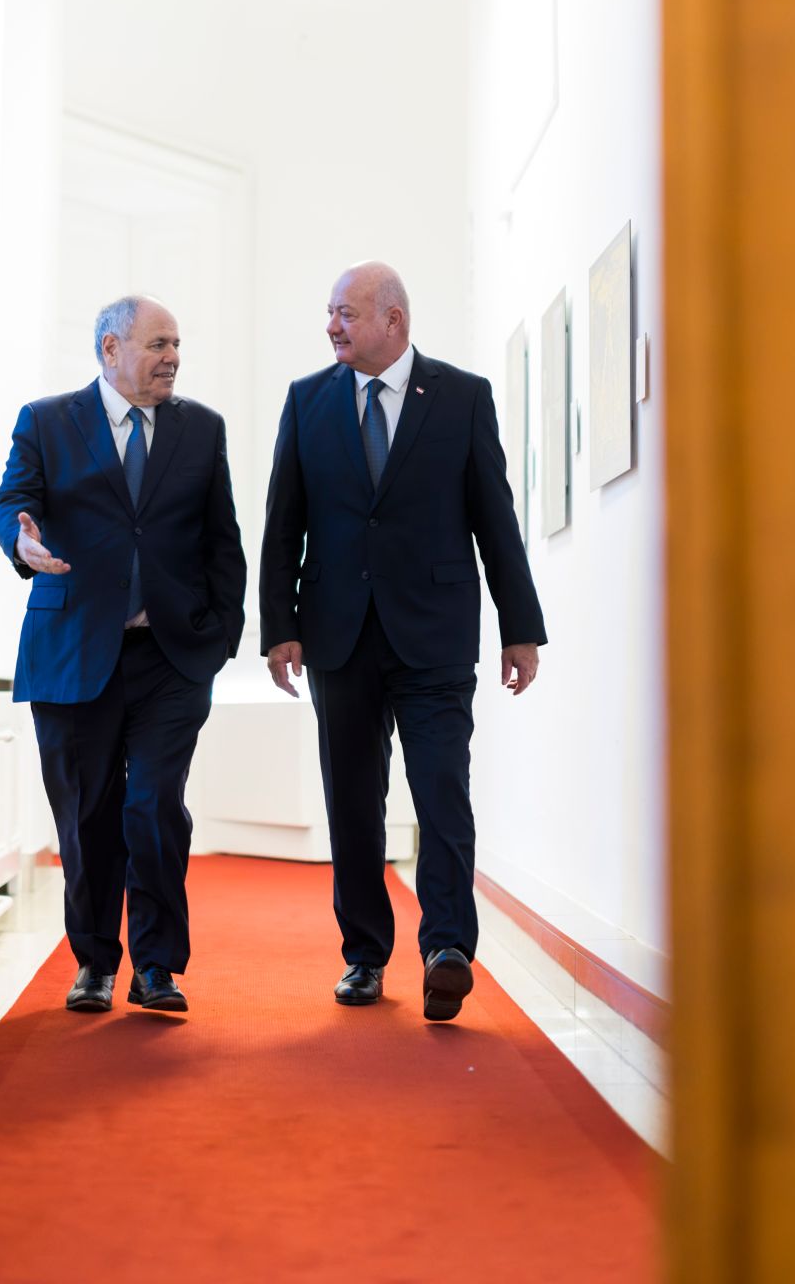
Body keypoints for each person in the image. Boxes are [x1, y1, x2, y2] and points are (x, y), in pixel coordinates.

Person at [260, 262, 546, 1022]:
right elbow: (282, 522)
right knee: (353, 801)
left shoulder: (461, 397)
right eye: (328, 313)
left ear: (394, 320)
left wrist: (520, 628)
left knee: (440, 791)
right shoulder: (306, 401)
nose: (331, 327)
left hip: (436, 635)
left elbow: (495, 519)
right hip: (337, 634)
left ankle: (447, 948)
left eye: (345, 313)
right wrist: (279, 627)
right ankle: (364, 955)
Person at [0, 295, 246, 1016]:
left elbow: (221, 540)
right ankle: (95, 961)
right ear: (109, 349)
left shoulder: (201, 429)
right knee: (87, 815)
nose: (171, 357)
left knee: (154, 805)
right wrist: (22, 540)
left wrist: (222, 635)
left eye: (176, 344)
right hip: (74, 652)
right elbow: (12, 498)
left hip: (170, 655)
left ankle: (157, 966)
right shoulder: (47, 420)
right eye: (157, 343)